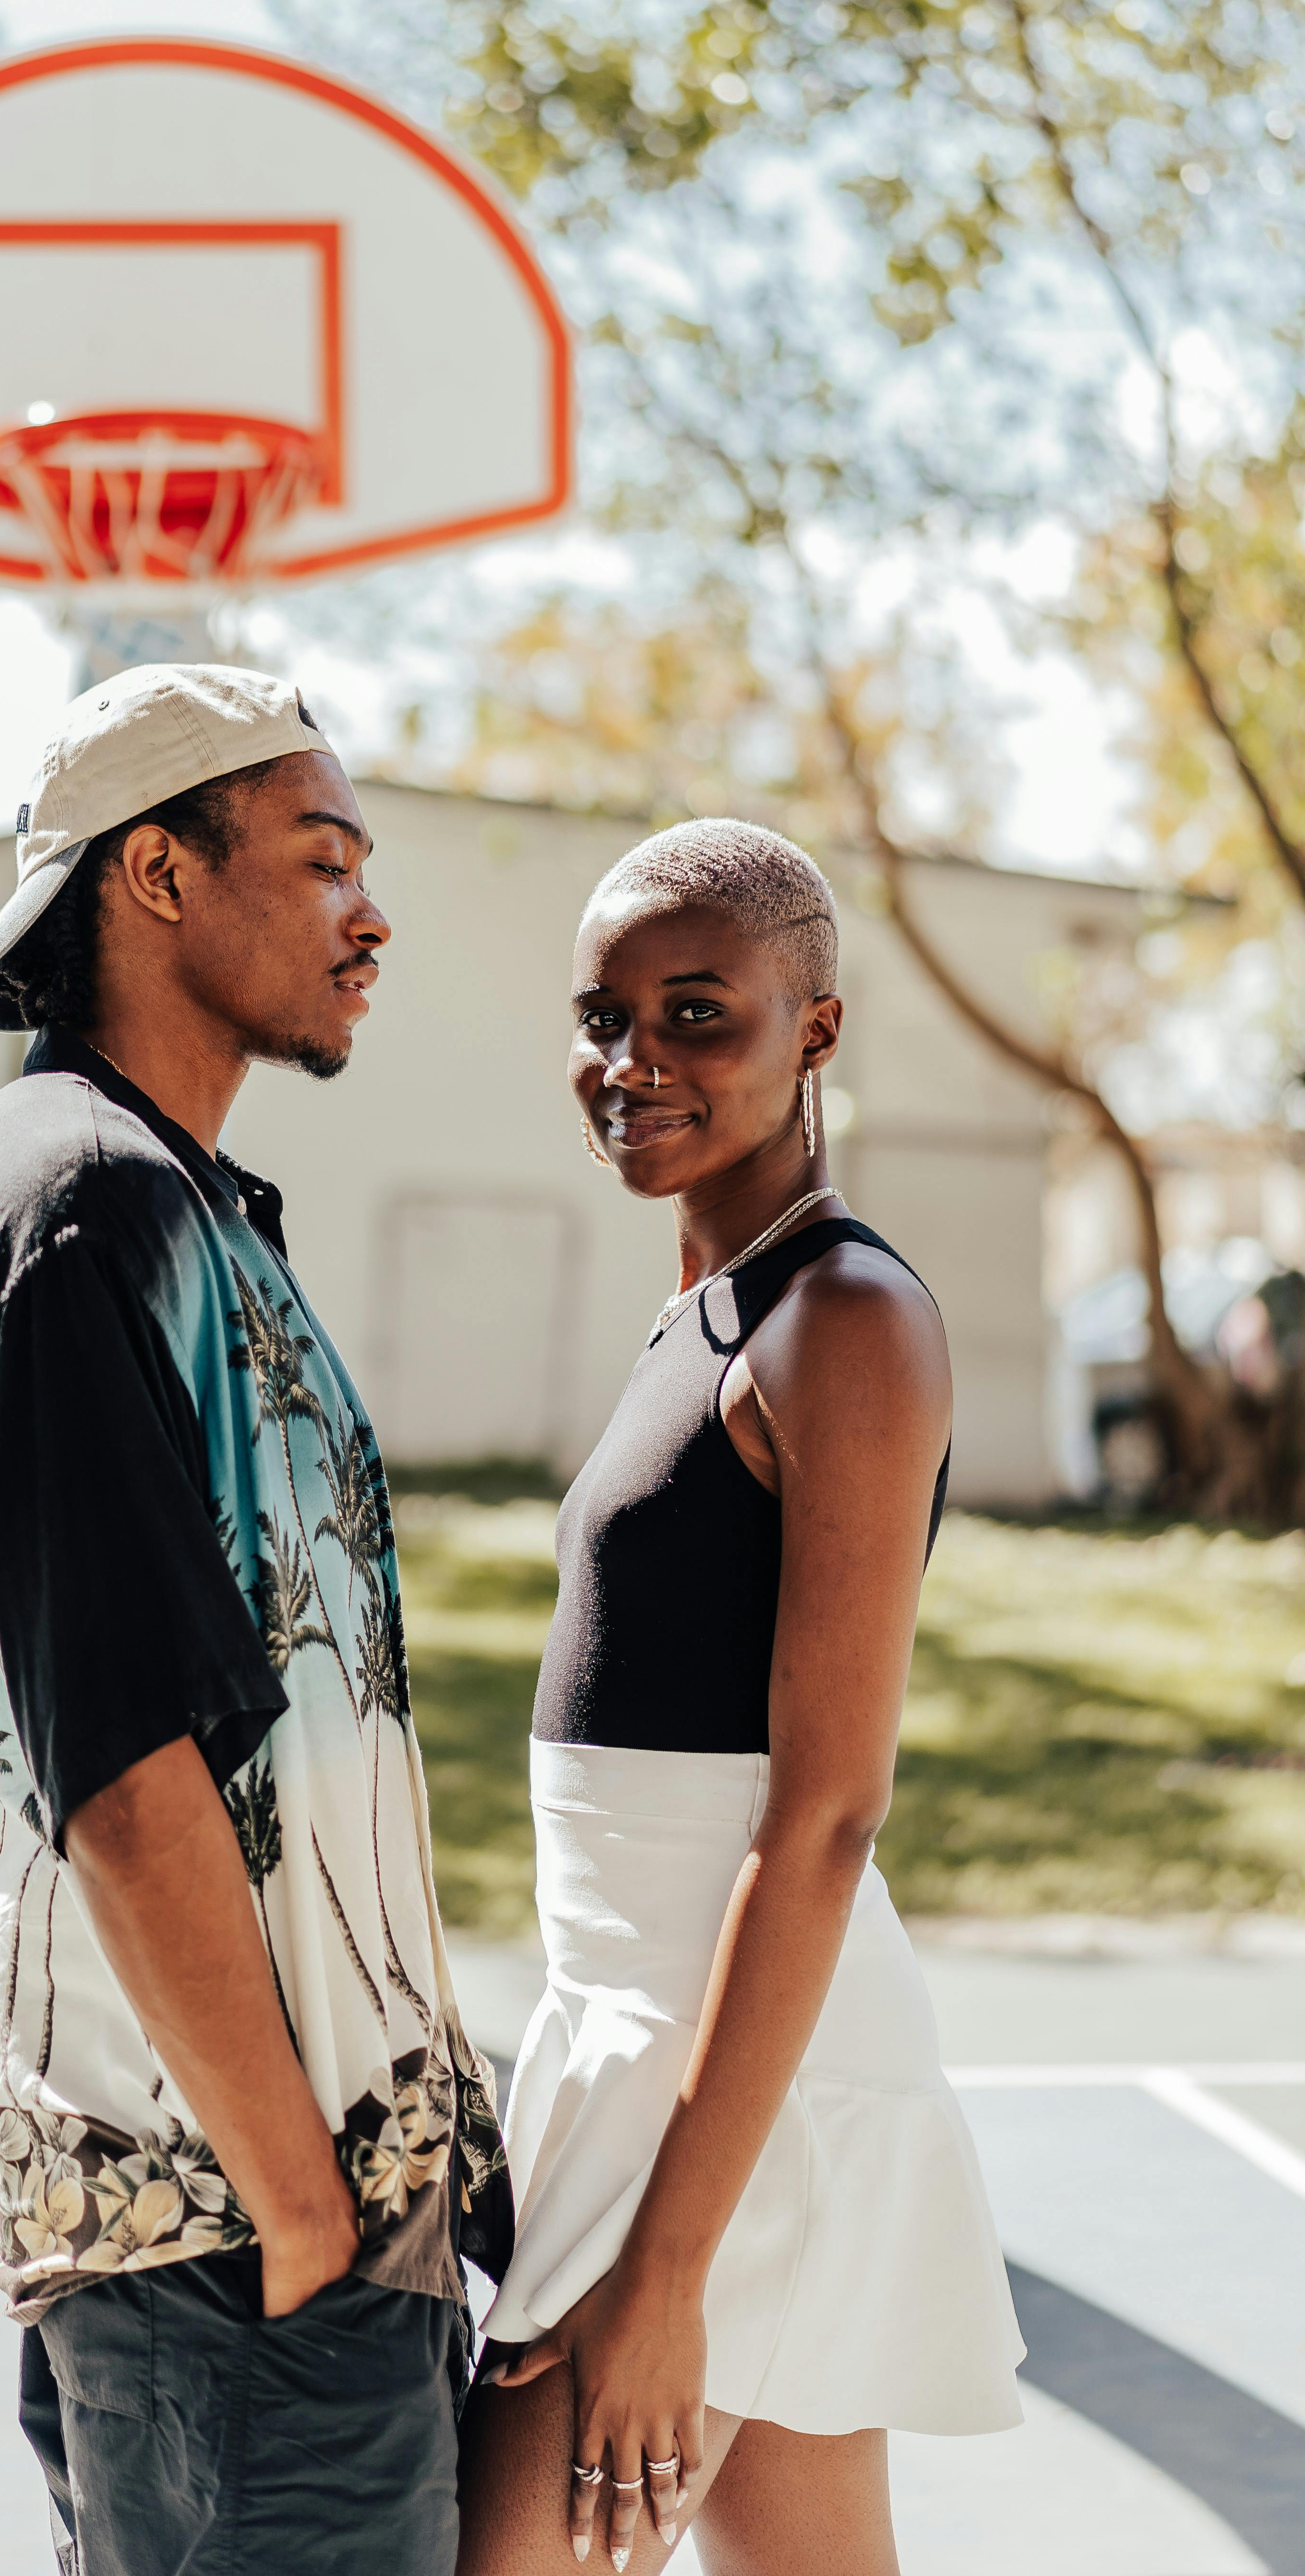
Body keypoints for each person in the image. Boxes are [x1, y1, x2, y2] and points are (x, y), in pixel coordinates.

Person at [0, 663, 512, 2576]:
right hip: (237, 2256)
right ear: (155, 874)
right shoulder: (78, 1205)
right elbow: (126, 1762)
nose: (368, 910)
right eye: (320, 862)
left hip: (268, 2248)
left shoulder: (163, 1199)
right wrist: (305, 2214)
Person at [459, 822, 1023, 2576]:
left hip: (736, 2096)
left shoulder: (843, 1319)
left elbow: (829, 1813)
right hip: (658, 2047)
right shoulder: (702, 1315)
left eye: (697, 1014)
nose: (632, 1062)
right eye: (601, 1016)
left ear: (817, 1030)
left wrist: (667, 2274)